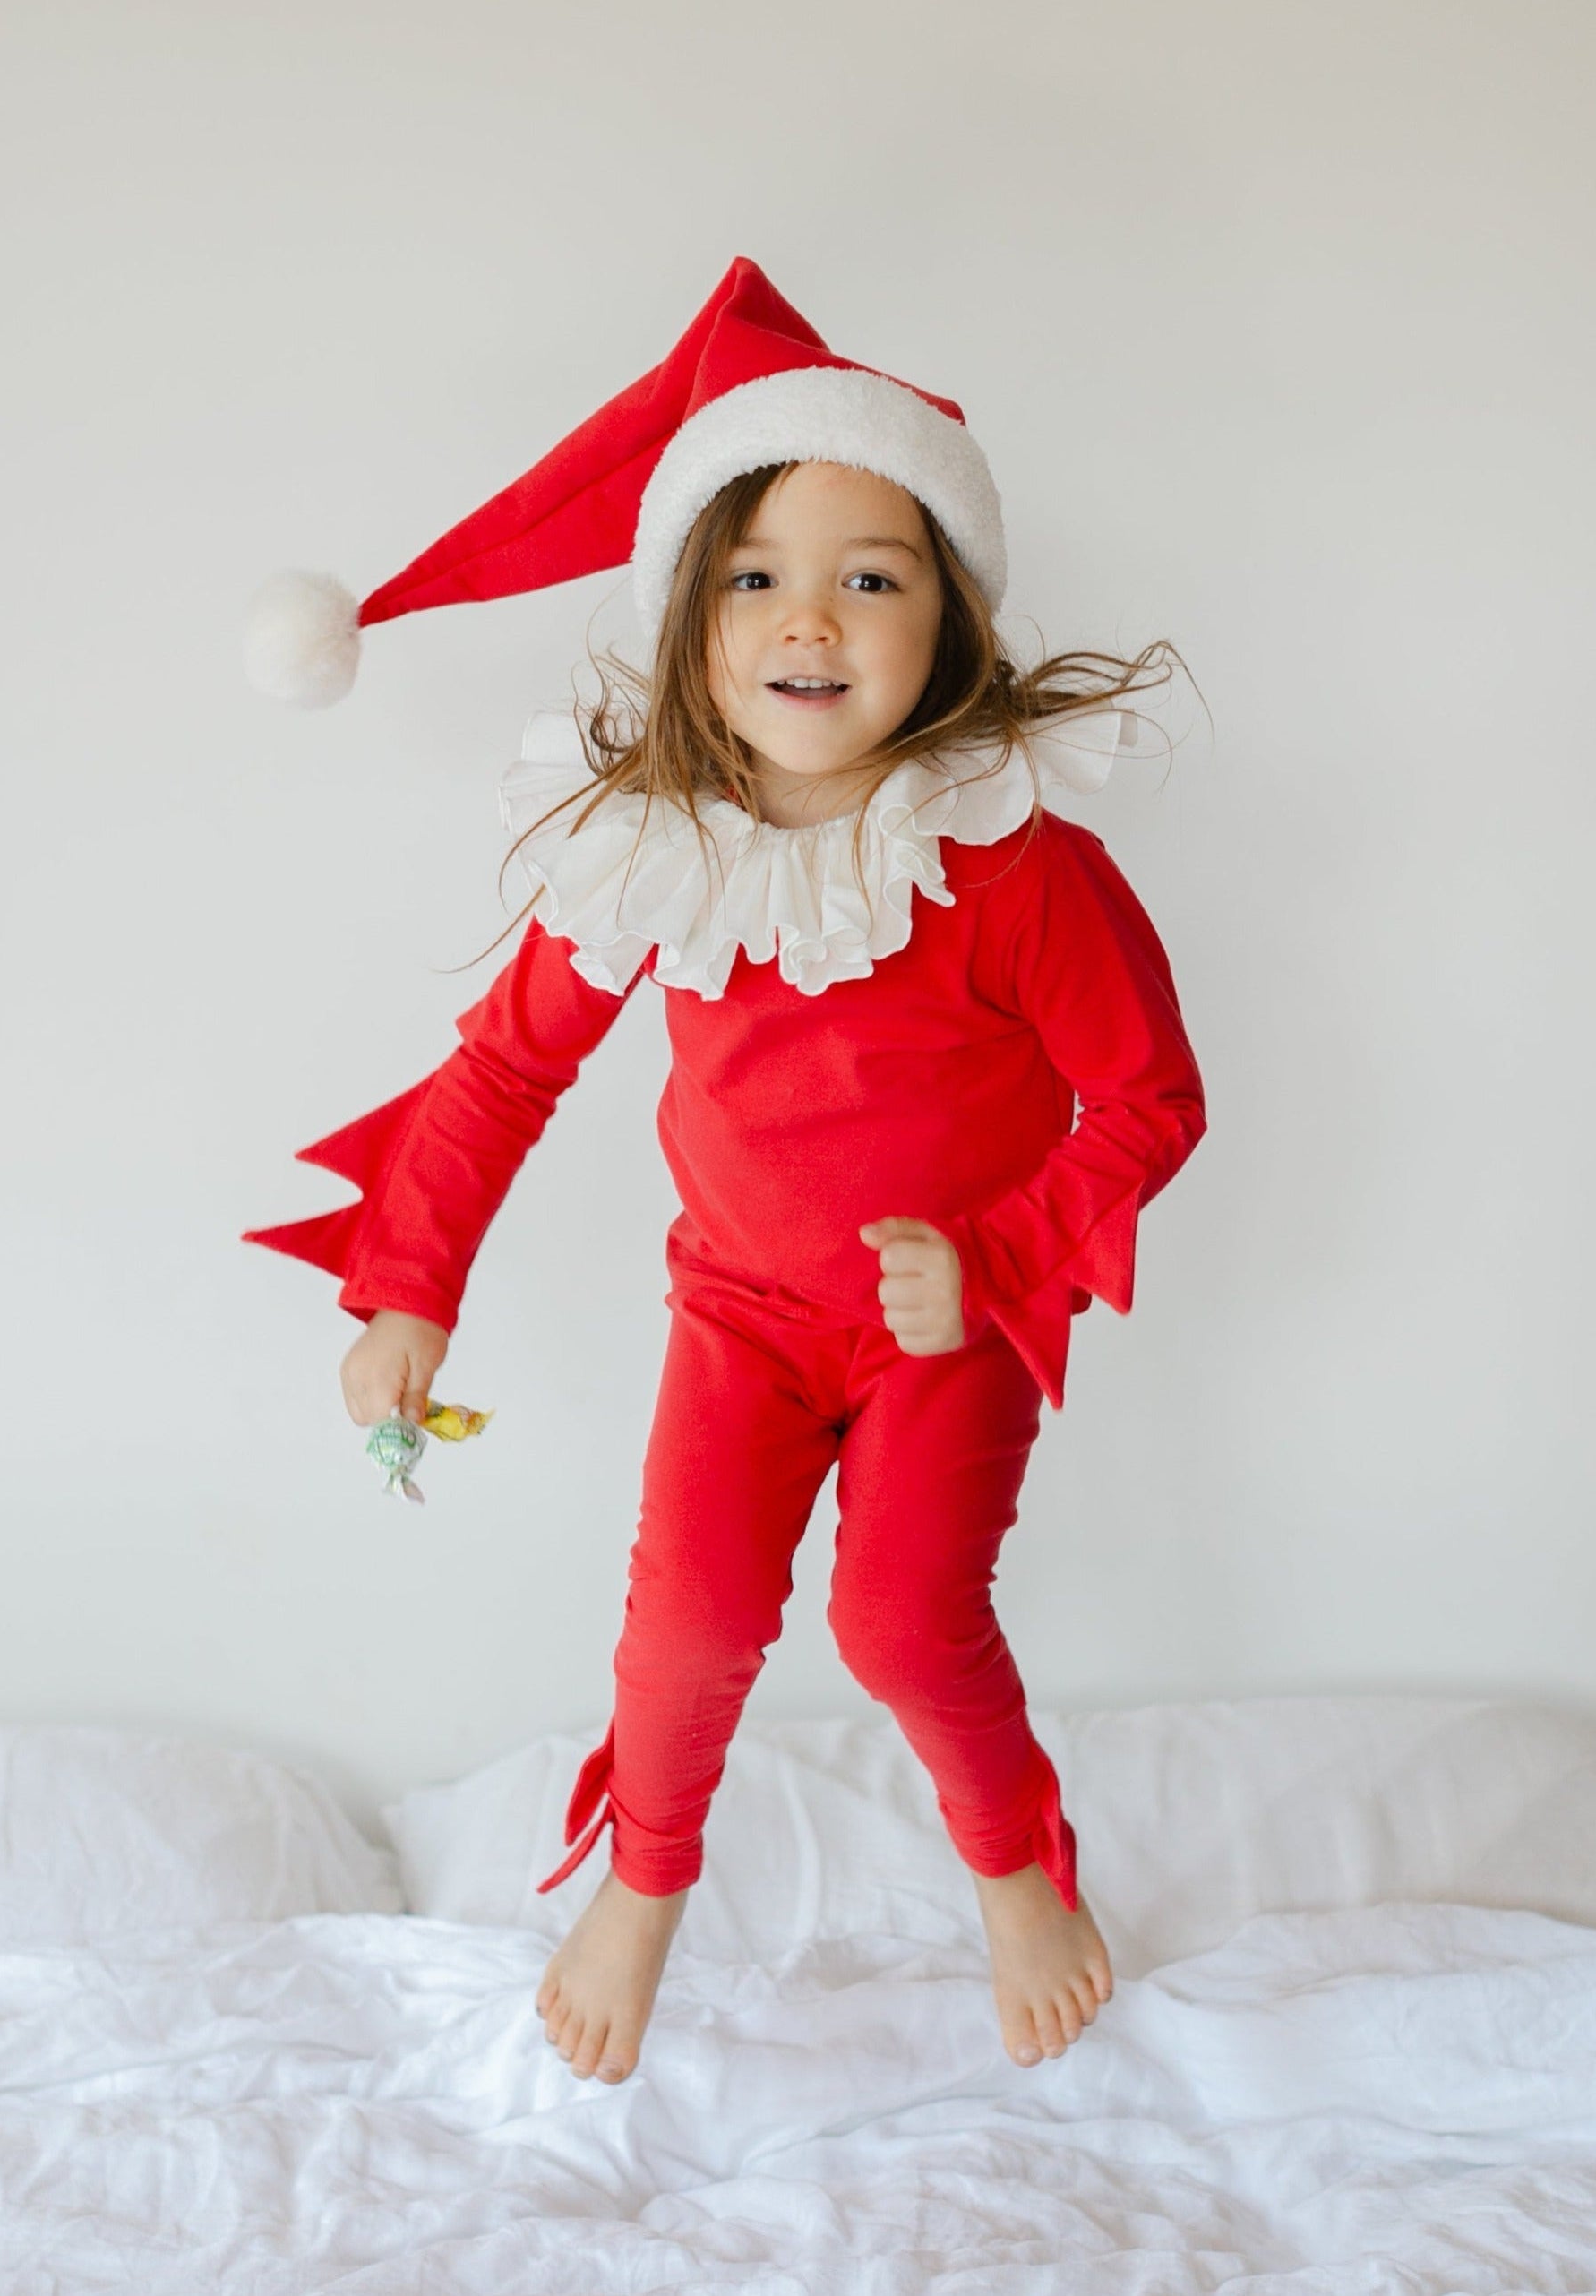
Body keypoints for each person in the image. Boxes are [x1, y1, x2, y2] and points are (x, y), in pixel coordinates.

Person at [241, 258, 1209, 2087]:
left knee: (901, 1619)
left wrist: (1000, 1253)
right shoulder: (651, 858)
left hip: (948, 1315)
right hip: (743, 1319)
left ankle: (1017, 1870)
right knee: (685, 1625)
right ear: (692, 620)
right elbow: (505, 1066)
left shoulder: (1010, 862)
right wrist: (404, 1287)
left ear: (949, 626)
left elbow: (1151, 1097)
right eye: (757, 574)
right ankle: (643, 1884)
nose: (810, 618)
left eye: (872, 576)